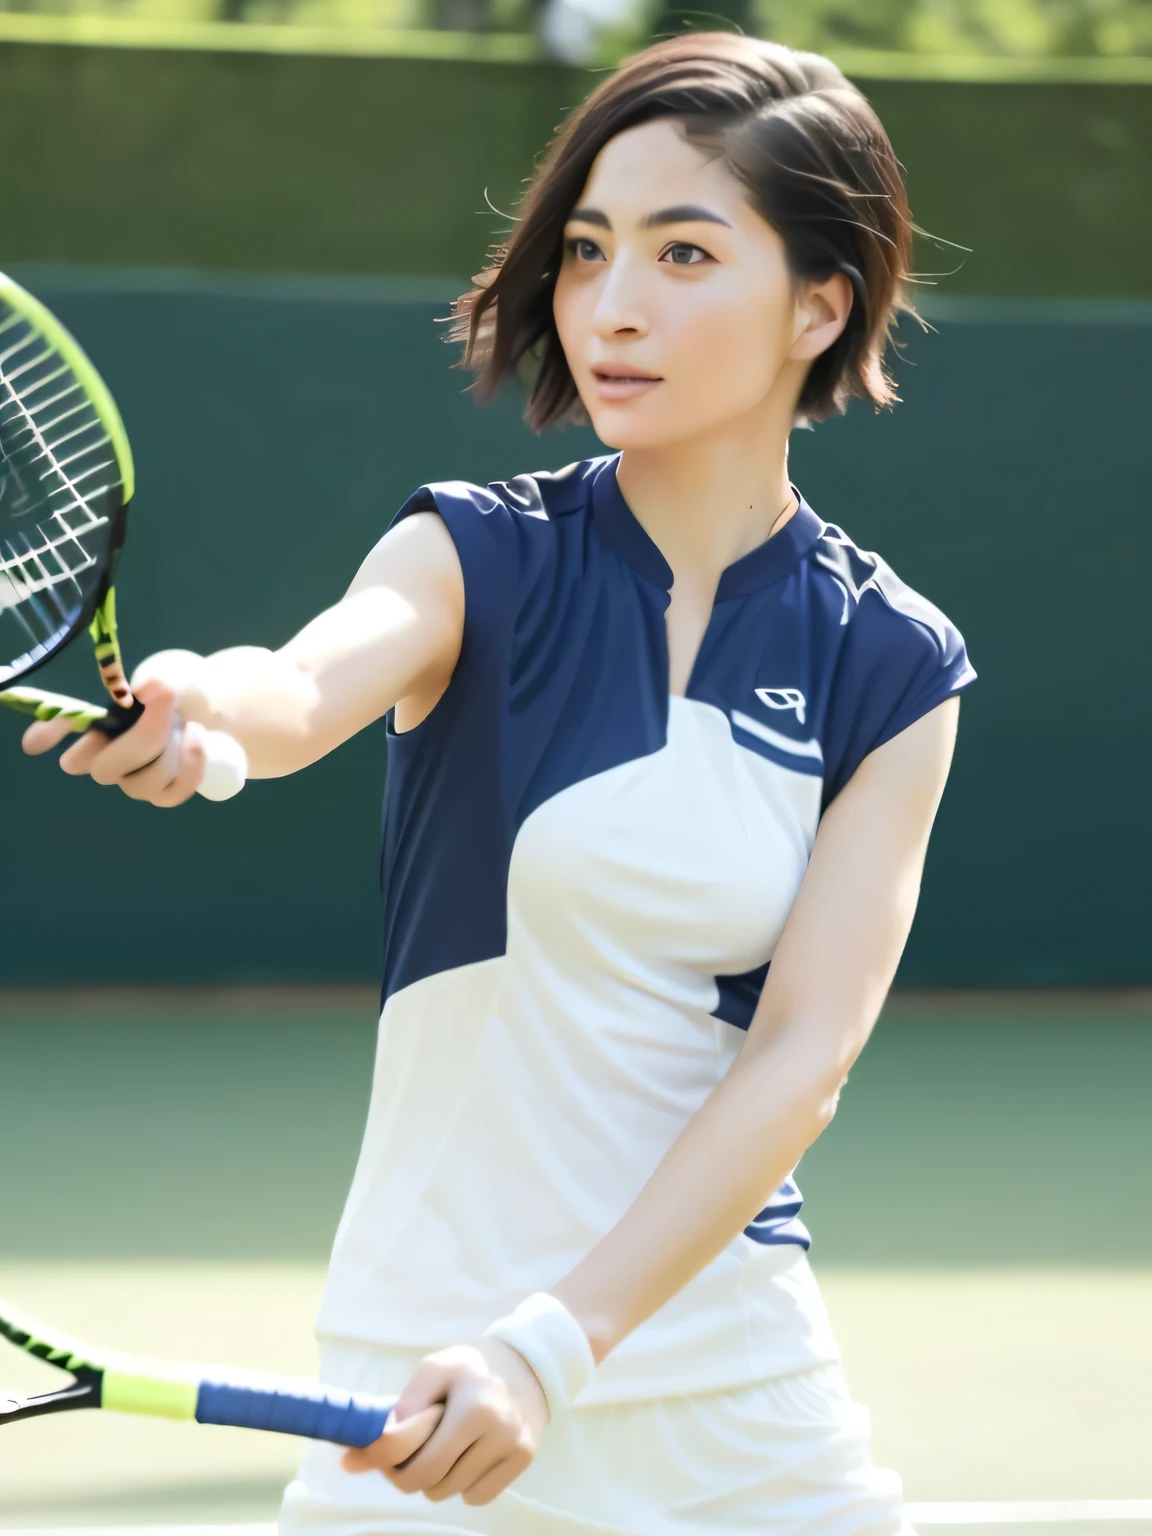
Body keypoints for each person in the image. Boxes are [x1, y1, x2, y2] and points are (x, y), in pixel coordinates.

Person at [24, 33, 976, 1535]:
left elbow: (802, 1060)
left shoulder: (893, 661)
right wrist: (206, 714)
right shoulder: (478, 555)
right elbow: (303, 687)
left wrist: (553, 1347)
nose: (612, 305)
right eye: (587, 251)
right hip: (418, 1388)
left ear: (820, 302)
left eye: (682, 252)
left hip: (730, 1399)